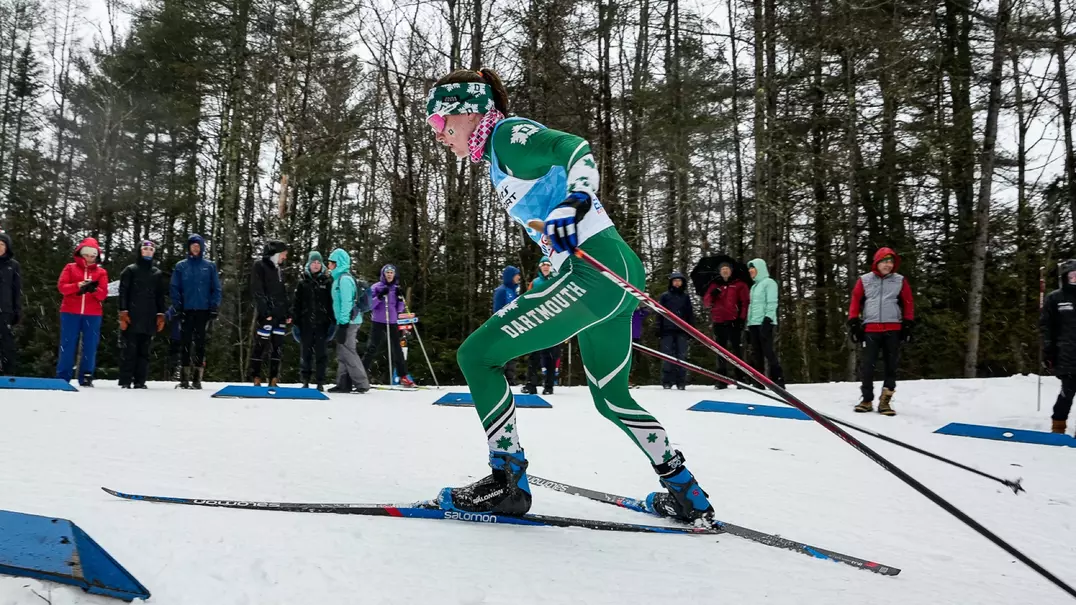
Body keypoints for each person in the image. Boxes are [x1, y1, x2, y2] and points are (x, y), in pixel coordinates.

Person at [424, 67, 713, 523]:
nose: (439, 135)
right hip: (613, 271)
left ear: (467, 111)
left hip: (593, 273)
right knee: (612, 398)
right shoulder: (499, 155)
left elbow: (572, 146)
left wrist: (578, 197)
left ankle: (507, 482)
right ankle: (685, 491)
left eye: (440, 124)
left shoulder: (507, 136)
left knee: (477, 356)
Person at [848, 247, 914, 416]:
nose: (888, 265)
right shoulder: (865, 280)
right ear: (877, 262)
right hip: (871, 328)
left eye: (891, 262)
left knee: (891, 366)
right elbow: (855, 300)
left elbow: (908, 302)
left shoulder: (900, 280)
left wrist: (908, 323)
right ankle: (867, 399)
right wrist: (854, 322)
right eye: (884, 261)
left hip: (893, 328)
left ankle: (885, 401)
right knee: (868, 366)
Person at [171, 234, 222, 390]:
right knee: (185, 342)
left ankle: (197, 378)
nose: (195, 248)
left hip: (203, 309)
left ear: (201, 248)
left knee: (200, 343)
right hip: (186, 309)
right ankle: (184, 377)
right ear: (189, 247)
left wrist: (214, 306)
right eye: (192, 245)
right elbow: (174, 287)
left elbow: (216, 288)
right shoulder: (181, 266)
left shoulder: (209, 266)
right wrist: (178, 306)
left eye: (198, 245)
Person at [56, 238, 109, 386]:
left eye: (93, 255)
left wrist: (93, 289)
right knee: (67, 344)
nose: (89, 258)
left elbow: (103, 294)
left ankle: (86, 375)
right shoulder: (70, 267)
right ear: (80, 253)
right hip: (70, 311)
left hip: (93, 314)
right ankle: (63, 376)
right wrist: (78, 286)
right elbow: (62, 287)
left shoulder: (101, 272)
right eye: (86, 255)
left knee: (90, 345)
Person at [117, 241, 167, 389]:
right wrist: (123, 311)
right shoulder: (130, 270)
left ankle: (140, 380)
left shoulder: (157, 273)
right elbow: (123, 292)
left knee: (145, 351)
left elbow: (160, 296)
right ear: (139, 251)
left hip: (149, 316)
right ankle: (126, 380)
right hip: (132, 315)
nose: (148, 251)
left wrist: (161, 314)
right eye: (145, 249)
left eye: (151, 249)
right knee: (129, 350)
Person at [327, 248, 371, 394]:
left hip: (349, 321)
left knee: (348, 351)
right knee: (342, 351)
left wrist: (344, 323)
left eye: (331, 263)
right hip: (344, 320)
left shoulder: (344, 279)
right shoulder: (339, 278)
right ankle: (343, 383)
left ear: (337, 263)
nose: (329, 266)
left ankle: (362, 383)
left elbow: (346, 302)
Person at [1042, 259, 1076, 434]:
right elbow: (1047, 327)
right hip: (1066, 355)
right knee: (1067, 393)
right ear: (1065, 277)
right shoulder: (1055, 298)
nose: (1075, 279)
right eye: (1072, 275)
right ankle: (1058, 427)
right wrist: (1048, 350)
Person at [702, 261, 749, 389]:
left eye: (727, 269)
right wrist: (713, 295)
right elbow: (706, 302)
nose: (725, 271)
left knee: (736, 350)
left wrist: (742, 319)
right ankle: (721, 379)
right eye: (722, 269)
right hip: (719, 321)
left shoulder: (739, 284)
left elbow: (745, 302)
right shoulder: (714, 285)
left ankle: (741, 378)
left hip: (734, 320)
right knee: (721, 351)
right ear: (720, 271)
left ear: (731, 271)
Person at [366, 264, 414, 387]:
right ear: (383, 274)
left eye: (391, 273)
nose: (389, 275)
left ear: (394, 274)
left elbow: (399, 309)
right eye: (387, 273)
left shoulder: (395, 288)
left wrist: (399, 298)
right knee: (372, 347)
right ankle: (361, 373)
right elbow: (369, 305)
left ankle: (403, 376)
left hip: (392, 321)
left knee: (397, 349)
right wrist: (380, 296)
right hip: (378, 321)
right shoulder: (376, 287)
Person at [250, 240, 291, 387]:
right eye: (283, 254)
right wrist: (265, 310)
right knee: (260, 345)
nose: (284, 258)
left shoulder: (279, 269)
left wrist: (287, 312)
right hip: (266, 314)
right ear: (276, 253)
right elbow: (257, 290)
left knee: (277, 347)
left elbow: (283, 293)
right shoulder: (259, 266)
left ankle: (274, 378)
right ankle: (256, 377)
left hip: (279, 314)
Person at [293, 251, 334, 390]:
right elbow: (296, 304)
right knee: (306, 353)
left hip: (322, 323)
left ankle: (320, 381)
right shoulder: (302, 282)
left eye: (318, 262)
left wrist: (332, 322)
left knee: (321, 354)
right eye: (313, 262)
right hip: (306, 323)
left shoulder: (327, 282)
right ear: (309, 264)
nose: (316, 265)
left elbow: (331, 303)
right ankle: (305, 380)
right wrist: (295, 323)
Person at [523, 257, 560, 395]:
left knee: (551, 356)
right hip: (537, 323)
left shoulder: (557, 281)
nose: (545, 267)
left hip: (553, 324)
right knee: (534, 355)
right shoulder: (535, 283)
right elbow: (527, 301)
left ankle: (549, 386)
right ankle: (531, 384)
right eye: (543, 265)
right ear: (539, 267)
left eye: (548, 265)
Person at [746, 258, 784, 387]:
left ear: (759, 269)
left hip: (765, 322)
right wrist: (748, 324)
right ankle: (759, 380)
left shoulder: (769, 283)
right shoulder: (754, 287)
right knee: (757, 352)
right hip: (754, 323)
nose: (750, 271)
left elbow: (772, 302)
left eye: (753, 268)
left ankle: (778, 379)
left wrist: (768, 319)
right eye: (749, 269)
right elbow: (752, 306)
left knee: (768, 351)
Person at [657, 271, 695, 390]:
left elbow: (690, 314)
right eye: (675, 281)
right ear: (671, 282)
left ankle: (681, 381)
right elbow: (659, 313)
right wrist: (658, 328)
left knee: (682, 357)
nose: (677, 283)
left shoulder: (685, 297)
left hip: (682, 331)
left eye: (679, 281)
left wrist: (691, 330)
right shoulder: (665, 296)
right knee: (667, 357)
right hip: (667, 330)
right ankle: (667, 381)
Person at [493, 265, 523, 386]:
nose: (519, 277)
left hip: (513, 326)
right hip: (503, 327)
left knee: (511, 352)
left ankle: (510, 378)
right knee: (502, 352)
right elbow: (497, 310)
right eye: (517, 275)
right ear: (511, 276)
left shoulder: (513, 291)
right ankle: (501, 378)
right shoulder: (502, 290)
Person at [0, 232, 21, 374]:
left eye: (2, 245)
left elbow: (17, 289)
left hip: (5, 309)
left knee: (6, 343)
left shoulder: (13, 266)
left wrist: (17, 309)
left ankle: (8, 374)